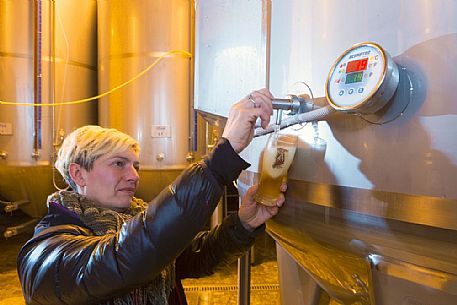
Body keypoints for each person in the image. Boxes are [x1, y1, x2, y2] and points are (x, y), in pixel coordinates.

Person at [17, 89, 287, 305]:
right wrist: (220, 161)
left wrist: (243, 223)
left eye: (136, 166)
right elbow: (123, 258)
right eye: (118, 164)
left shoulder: (135, 220)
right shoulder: (45, 252)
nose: (134, 176)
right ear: (78, 174)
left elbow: (196, 255)